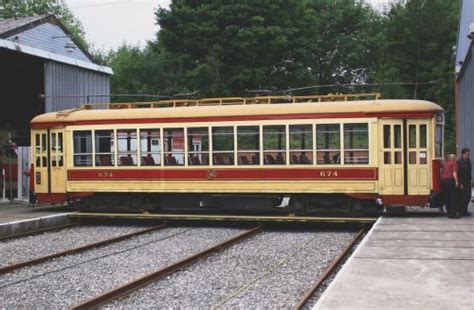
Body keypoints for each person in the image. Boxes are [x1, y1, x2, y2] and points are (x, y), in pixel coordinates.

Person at [441, 154, 460, 219]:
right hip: (450, 180)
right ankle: (453, 213)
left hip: (444, 181)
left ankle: (448, 212)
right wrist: (457, 181)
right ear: (453, 158)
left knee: (447, 197)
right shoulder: (454, 163)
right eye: (455, 157)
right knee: (453, 197)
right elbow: (454, 172)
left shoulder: (446, 163)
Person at [457, 148, 472, 216]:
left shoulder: (468, 161)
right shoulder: (459, 162)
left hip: (468, 181)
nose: (468, 156)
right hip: (462, 182)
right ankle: (461, 211)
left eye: (469, 154)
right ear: (463, 154)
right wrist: (459, 183)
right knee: (462, 197)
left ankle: (465, 210)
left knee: (468, 196)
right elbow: (458, 173)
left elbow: (469, 171)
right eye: (467, 154)